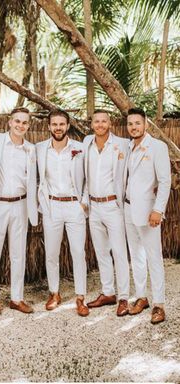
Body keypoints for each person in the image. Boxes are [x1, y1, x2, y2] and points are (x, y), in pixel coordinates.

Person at [0, 107, 38, 315]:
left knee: (18, 253)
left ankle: (17, 298)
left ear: (28, 125)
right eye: (17, 121)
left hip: (21, 204)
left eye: (24, 122)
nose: (20, 125)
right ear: (9, 121)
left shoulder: (31, 149)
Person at [36, 110, 89, 316]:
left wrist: (84, 202)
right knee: (51, 253)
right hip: (52, 207)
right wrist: (41, 203)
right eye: (54, 124)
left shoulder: (80, 148)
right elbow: (35, 178)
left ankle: (80, 297)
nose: (58, 128)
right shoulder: (40, 149)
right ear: (49, 126)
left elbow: (88, 176)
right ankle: (54, 293)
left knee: (78, 253)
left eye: (61, 124)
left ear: (68, 126)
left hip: (74, 206)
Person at [124, 108, 171, 324]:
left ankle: (159, 303)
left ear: (145, 124)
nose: (134, 127)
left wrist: (158, 210)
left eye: (137, 123)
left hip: (148, 211)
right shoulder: (127, 146)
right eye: (130, 123)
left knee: (154, 256)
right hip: (127, 208)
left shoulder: (157, 147)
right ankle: (141, 296)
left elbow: (164, 181)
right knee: (136, 256)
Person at [83, 110, 130, 316]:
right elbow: (84, 174)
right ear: (91, 124)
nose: (100, 124)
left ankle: (124, 297)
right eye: (96, 121)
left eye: (104, 121)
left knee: (119, 252)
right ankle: (108, 292)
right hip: (93, 207)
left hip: (113, 206)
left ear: (110, 123)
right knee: (101, 252)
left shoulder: (122, 145)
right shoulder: (86, 143)